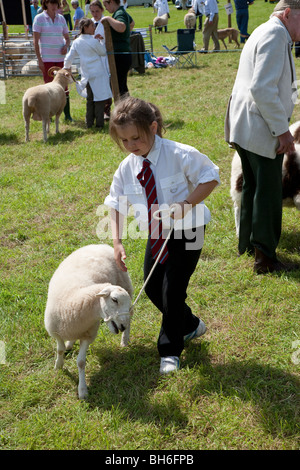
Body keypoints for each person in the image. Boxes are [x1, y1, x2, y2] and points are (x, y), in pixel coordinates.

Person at [104, 96, 220, 374]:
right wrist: (117, 241)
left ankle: (170, 351)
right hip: (156, 234)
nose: (131, 146)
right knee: (153, 287)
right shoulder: (127, 168)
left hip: (189, 231)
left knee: (172, 289)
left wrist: (187, 204)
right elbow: (115, 203)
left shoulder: (180, 154)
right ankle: (191, 325)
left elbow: (211, 176)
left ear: (153, 128)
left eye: (136, 138)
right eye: (125, 141)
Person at [225, 0, 300, 274]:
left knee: (252, 187)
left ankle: (247, 245)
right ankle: (265, 259)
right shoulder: (275, 34)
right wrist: (283, 131)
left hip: (245, 127)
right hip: (261, 128)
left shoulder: (264, 30)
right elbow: (262, 88)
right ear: (289, 13)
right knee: (268, 194)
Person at [64, 17, 112, 129]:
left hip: (87, 74)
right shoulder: (94, 41)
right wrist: (100, 41)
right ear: (85, 28)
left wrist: (66, 67)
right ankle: (99, 124)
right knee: (99, 99)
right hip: (98, 73)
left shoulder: (76, 41)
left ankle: (89, 123)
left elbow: (69, 56)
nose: (94, 28)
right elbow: (103, 53)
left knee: (90, 99)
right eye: (92, 26)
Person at [33, 0, 72, 121]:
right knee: (48, 89)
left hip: (61, 59)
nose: (54, 6)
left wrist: (66, 46)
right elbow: (35, 42)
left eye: (56, 3)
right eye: (51, 3)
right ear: (45, 4)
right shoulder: (39, 18)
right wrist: (39, 60)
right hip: (47, 59)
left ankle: (67, 115)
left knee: (64, 88)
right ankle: (48, 116)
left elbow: (67, 37)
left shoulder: (61, 18)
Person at [102, 0, 134, 96]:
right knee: (122, 86)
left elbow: (122, 27)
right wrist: (124, 35)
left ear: (111, 2)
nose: (105, 8)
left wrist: (108, 18)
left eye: (106, 5)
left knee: (117, 87)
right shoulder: (121, 12)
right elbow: (132, 23)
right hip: (124, 55)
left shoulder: (119, 13)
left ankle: (124, 108)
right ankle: (127, 109)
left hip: (121, 56)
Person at [90, 0, 112, 119]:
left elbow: (111, 38)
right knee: (96, 84)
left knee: (107, 83)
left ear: (102, 10)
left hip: (105, 57)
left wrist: (103, 38)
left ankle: (107, 110)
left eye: (97, 11)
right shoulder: (90, 23)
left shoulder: (106, 22)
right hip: (94, 58)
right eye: (92, 11)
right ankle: (96, 110)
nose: (95, 14)